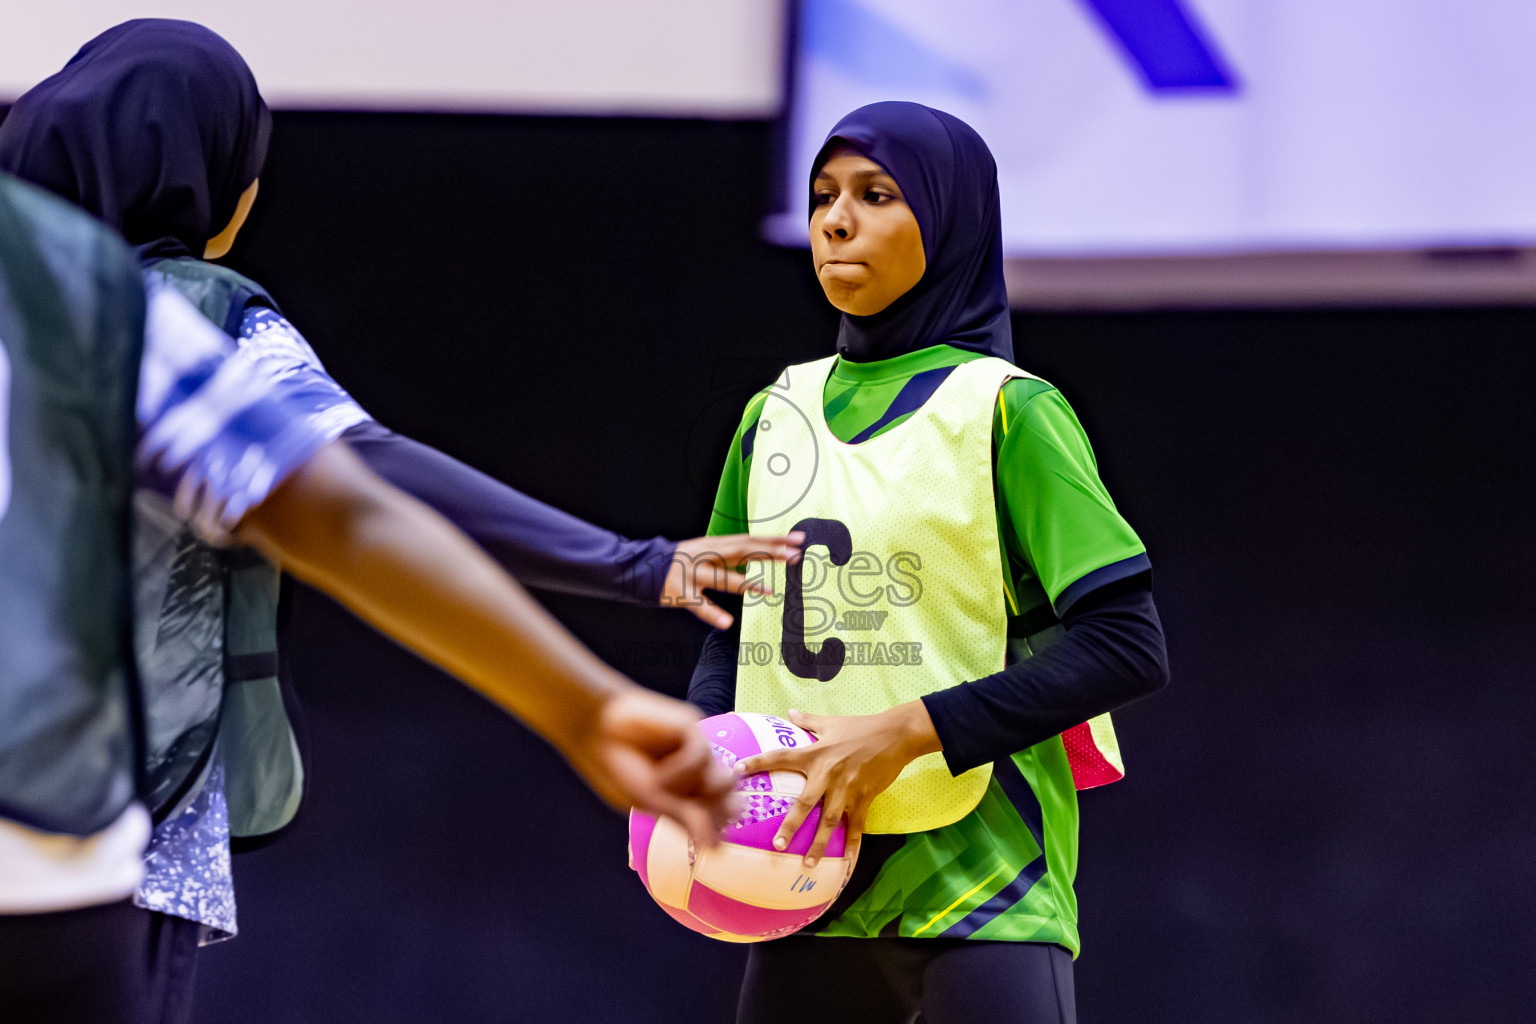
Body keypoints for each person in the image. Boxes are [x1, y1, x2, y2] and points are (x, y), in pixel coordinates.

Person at [0, 19, 798, 1022]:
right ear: (214, 183)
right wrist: (616, 609)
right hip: (78, 834)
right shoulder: (122, 310)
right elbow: (350, 493)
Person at [686, 102, 1171, 1024]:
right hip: (801, 893)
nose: (835, 220)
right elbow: (733, 632)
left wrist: (904, 730)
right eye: (825, 194)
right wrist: (696, 761)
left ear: (949, 224)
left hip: (985, 895)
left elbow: (1126, 647)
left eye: (875, 196)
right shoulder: (772, 417)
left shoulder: (1011, 413)